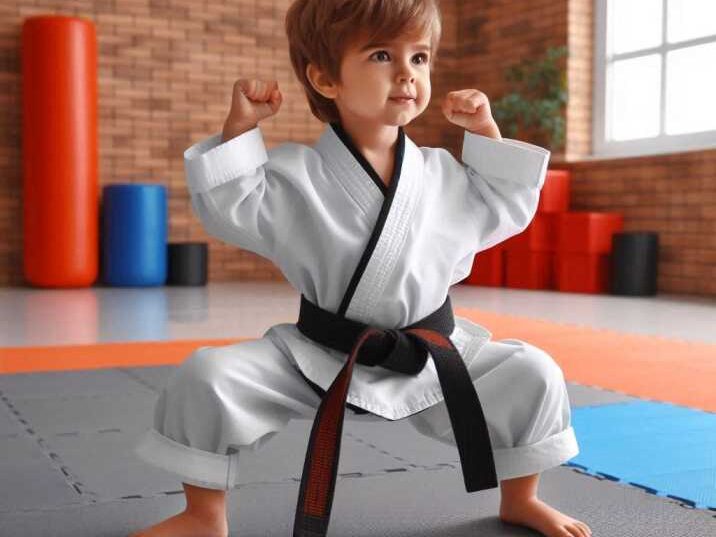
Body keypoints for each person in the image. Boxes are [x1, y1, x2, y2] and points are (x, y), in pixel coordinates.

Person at [130, 1, 592, 536]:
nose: (406, 74)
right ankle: (202, 516)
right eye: (381, 55)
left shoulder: (443, 174)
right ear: (325, 78)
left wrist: (486, 132)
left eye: (419, 57)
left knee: (532, 373)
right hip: (318, 354)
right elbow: (234, 203)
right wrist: (239, 129)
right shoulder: (295, 174)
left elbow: (503, 205)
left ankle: (522, 499)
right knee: (206, 376)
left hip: (430, 356)